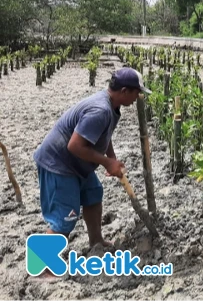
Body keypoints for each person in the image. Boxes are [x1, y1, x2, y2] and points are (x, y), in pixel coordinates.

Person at [32, 67, 151, 272]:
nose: (137, 97)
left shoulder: (111, 107)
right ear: (124, 91)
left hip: (77, 164)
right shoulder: (100, 110)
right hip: (59, 165)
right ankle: (41, 266)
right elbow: (75, 146)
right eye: (136, 92)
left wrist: (112, 157)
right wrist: (106, 162)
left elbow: (103, 135)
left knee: (93, 195)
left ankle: (96, 241)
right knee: (64, 218)